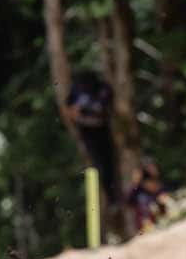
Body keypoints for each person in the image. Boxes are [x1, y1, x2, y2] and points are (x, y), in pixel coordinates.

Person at [63, 69, 119, 213]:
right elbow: (70, 110)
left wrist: (91, 116)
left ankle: (115, 197)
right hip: (88, 135)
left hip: (104, 131)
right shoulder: (76, 91)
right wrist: (83, 119)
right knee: (99, 166)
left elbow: (105, 110)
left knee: (110, 164)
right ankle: (111, 199)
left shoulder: (103, 88)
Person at [125, 160, 169, 234]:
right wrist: (135, 183)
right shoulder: (138, 191)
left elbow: (166, 210)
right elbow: (127, 202)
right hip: (143, 229)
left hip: (161, 226)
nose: (150, 185)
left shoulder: (160, 190)